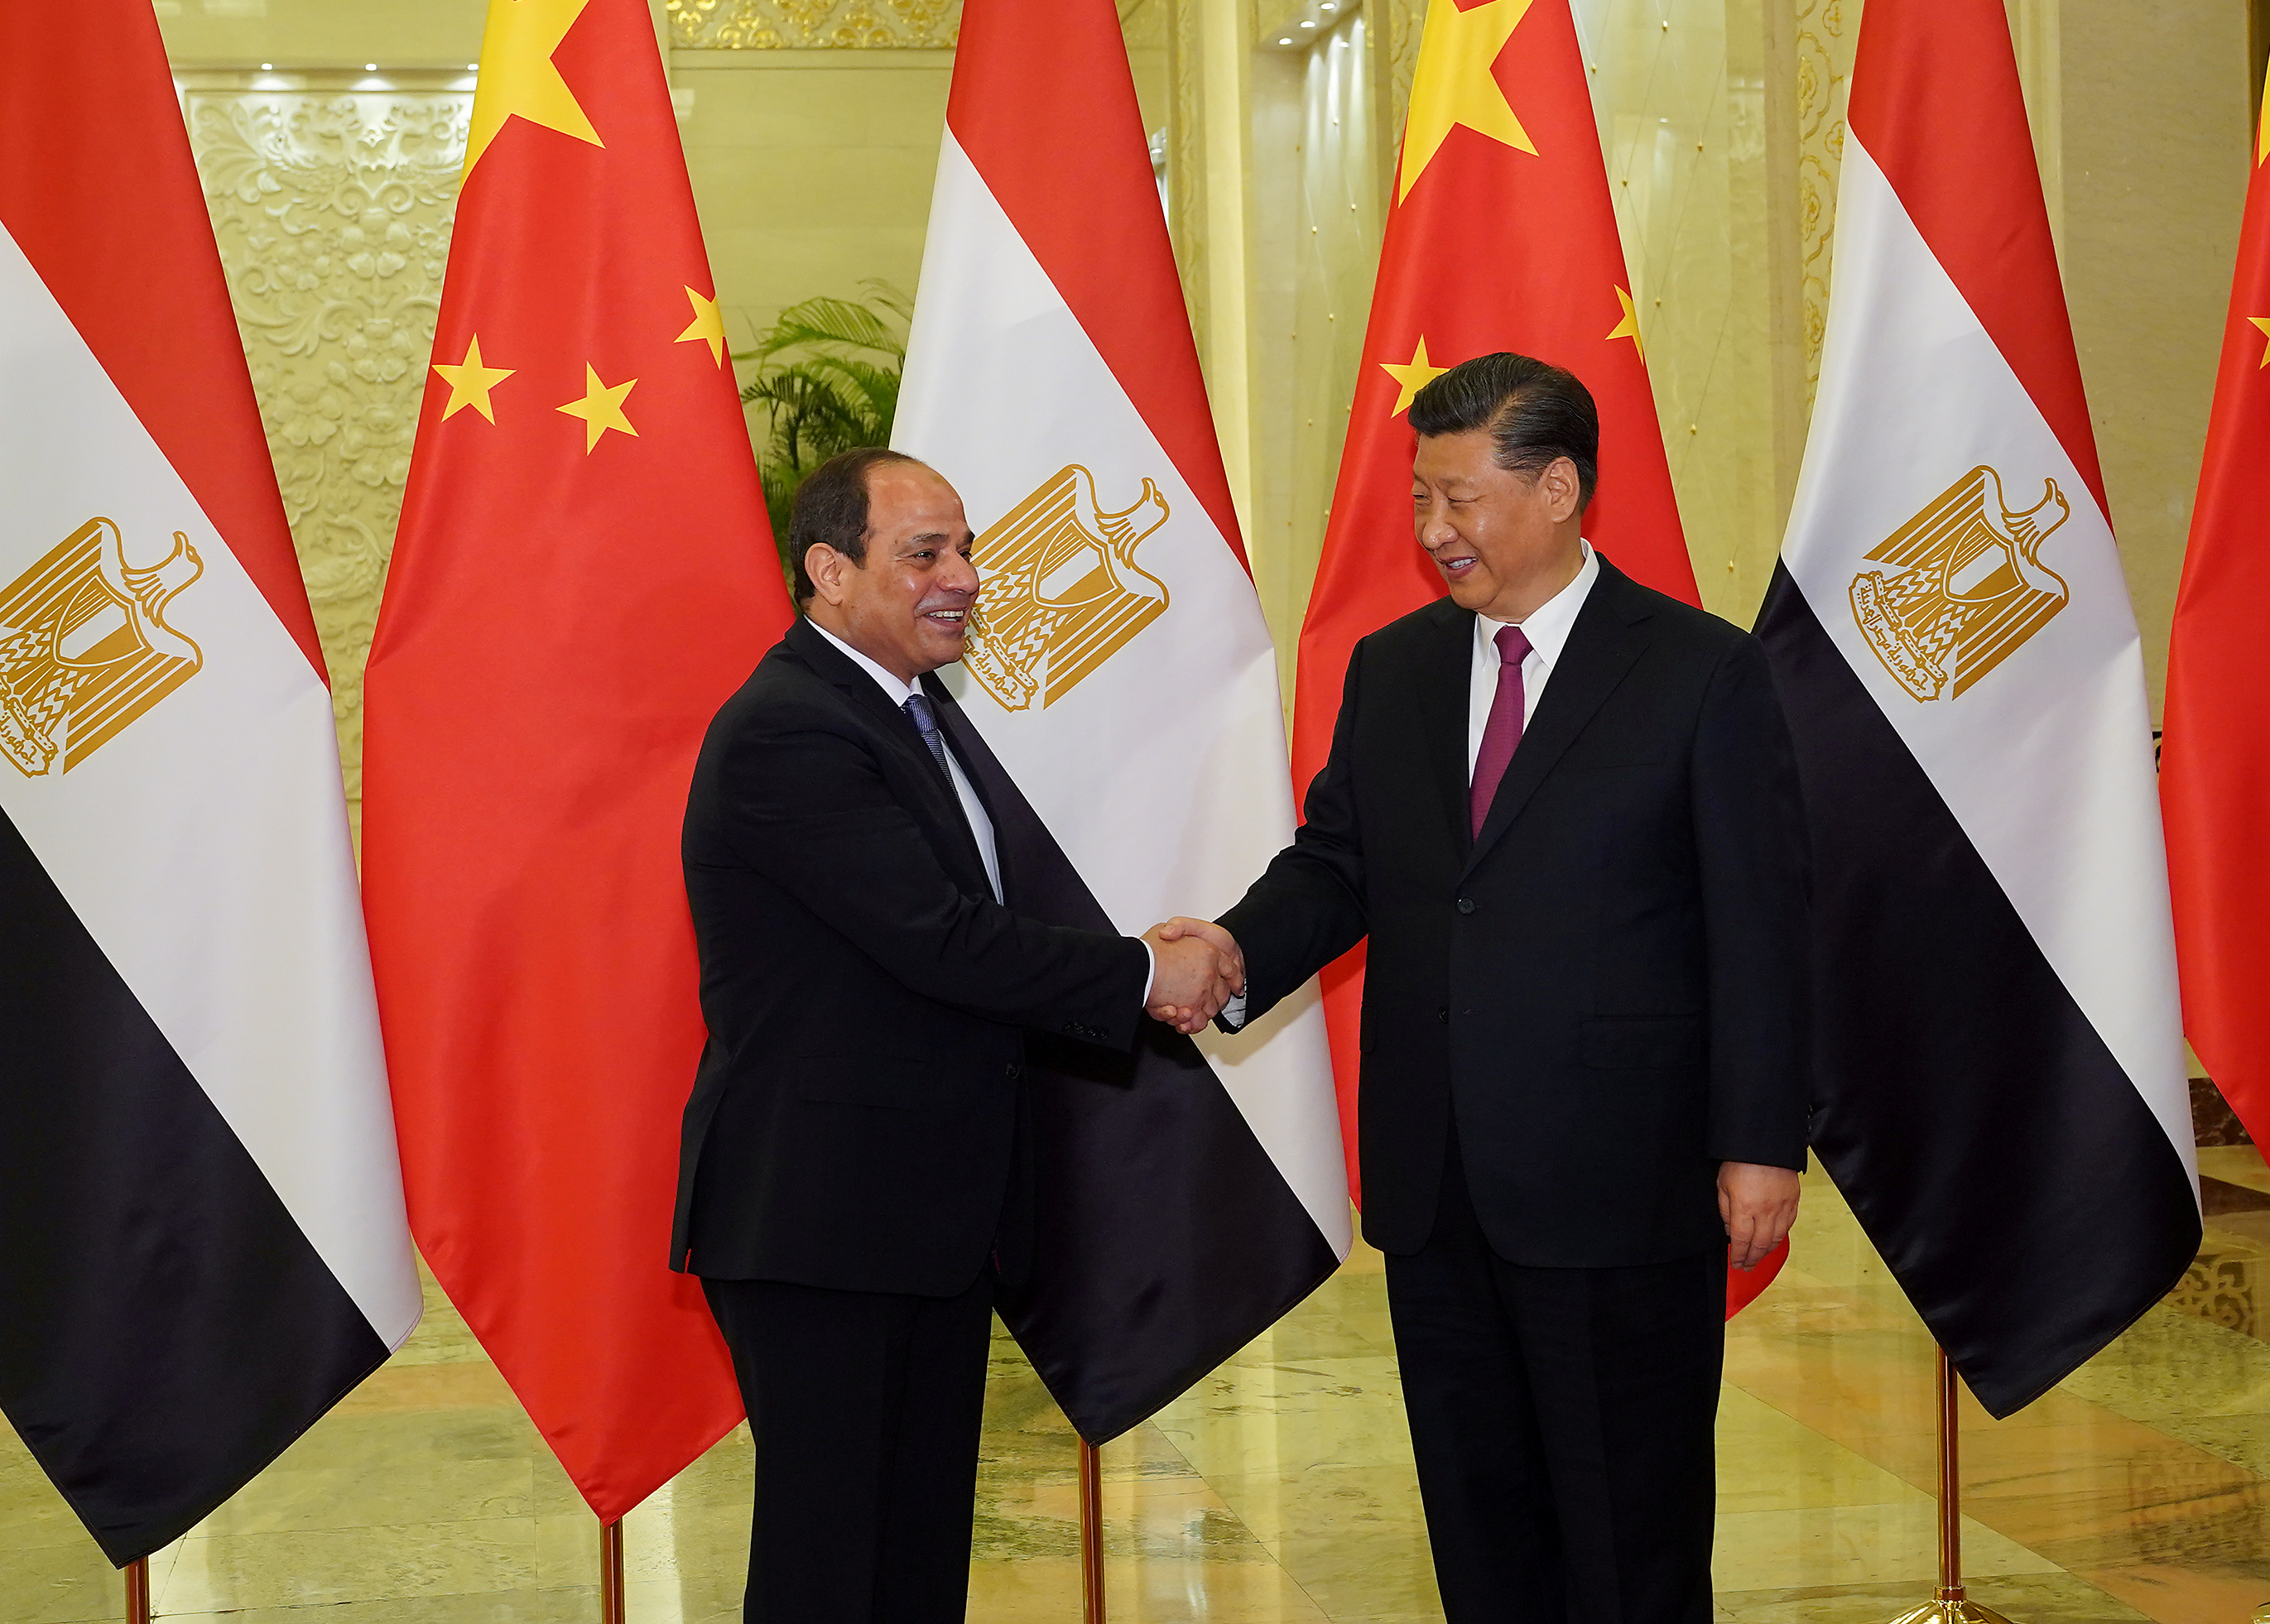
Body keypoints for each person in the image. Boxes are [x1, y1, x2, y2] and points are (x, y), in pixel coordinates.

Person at [1165, 353, 1812, 1623]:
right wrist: (1233, 952)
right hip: (1440, 1180)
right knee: (1481, 1528)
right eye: (1420, 499)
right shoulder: (1395, 667)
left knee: (1631, 1539)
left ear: (1560, 488)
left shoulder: (1698, 672)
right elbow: (1343, 863)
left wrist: (1758, 1140)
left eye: (1458, 498)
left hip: (1622, 1182)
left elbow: (1762, 923)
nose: (1431, 530)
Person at [670, 446, 1235, 1623]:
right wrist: (1145, 972)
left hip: (918, 1216)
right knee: (833, 1562)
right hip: (820, 1220)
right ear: (829, 571)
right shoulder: (792, 731)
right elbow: (940, 943)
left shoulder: (908, 716)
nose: (968, 576)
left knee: (913, 1551)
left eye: (966, 547)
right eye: (925, 552)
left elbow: (967, 940)